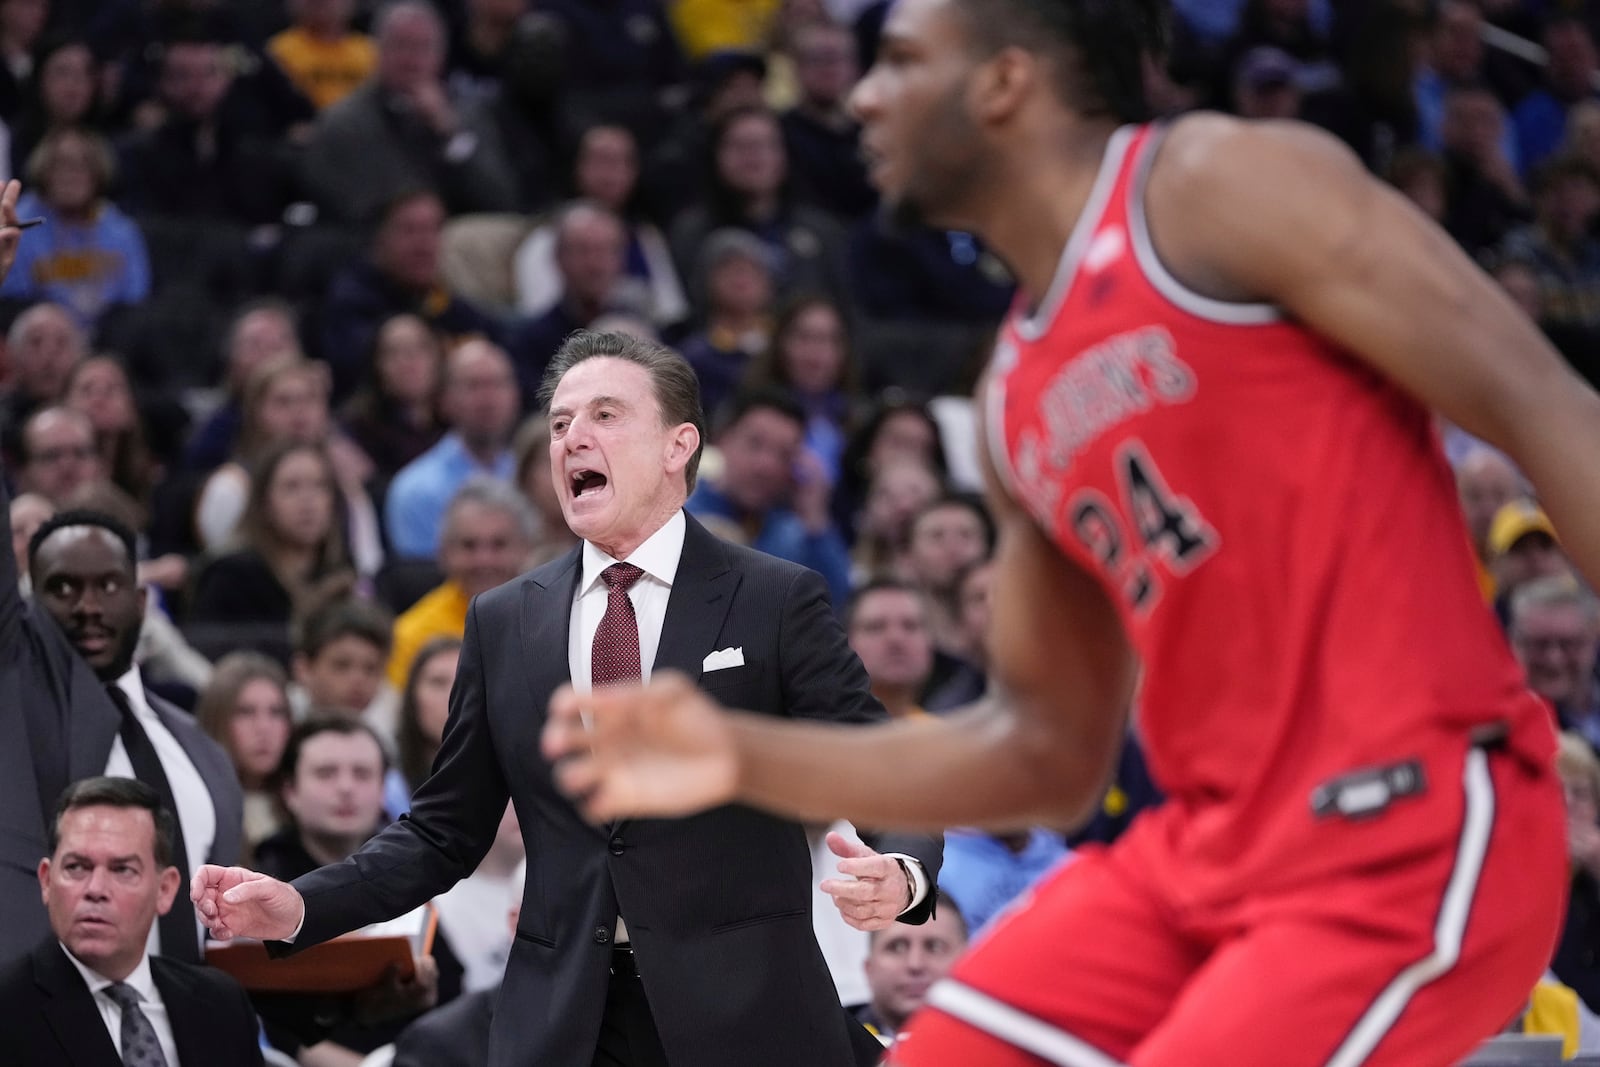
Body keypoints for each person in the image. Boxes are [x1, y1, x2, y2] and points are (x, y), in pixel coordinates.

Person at [536, 1, 1600, 1064]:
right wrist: (738, 751)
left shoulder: (1216, 186)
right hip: (1207, 854)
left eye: (901, 61)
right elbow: (1045, 753)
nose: (862, 95)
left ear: (1002, 83)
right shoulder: (1011, 395)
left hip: (1411, 821)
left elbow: (1546, 410)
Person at [194, 330, 942, 1067]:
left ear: (679, 445)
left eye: (605, 415)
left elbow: (881, 771)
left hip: (747, 1018)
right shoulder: (504, 618)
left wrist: (904, 874)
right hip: (567, 1023)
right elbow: (442, 831)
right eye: (559, 423)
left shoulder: (774, 598)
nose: (572, 438)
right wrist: (301, 906)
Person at [29, 507, 245, 965]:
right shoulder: (18, 743)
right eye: (63, 588)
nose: (88, 608)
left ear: (142, 601)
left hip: (188, 1022)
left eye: (108, 586)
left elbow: (224, 930)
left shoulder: (198, 745)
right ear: (31, 608)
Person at [0, 776, 264, 1067]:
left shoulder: (221, 1003)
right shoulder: (9, 1008)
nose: (96, 889)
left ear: (165, 890)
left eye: (123, 869)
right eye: (76, 867)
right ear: (46, 881)